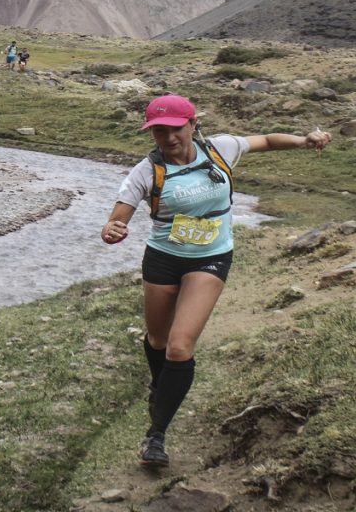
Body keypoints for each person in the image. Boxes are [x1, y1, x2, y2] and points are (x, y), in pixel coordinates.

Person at [100, 94, 331, 467]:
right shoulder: (146, 171)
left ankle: (155, 435)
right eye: (159, 130)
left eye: (175, 128)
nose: (168, 137)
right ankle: (160, 387)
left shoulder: (220, 149)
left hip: (210, 257)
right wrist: (113, 228)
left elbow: (268, 141)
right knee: (158, 340)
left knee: (179, 346)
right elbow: (119, 216)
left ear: (193, 124)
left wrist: (304, 140)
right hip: (163, 259)